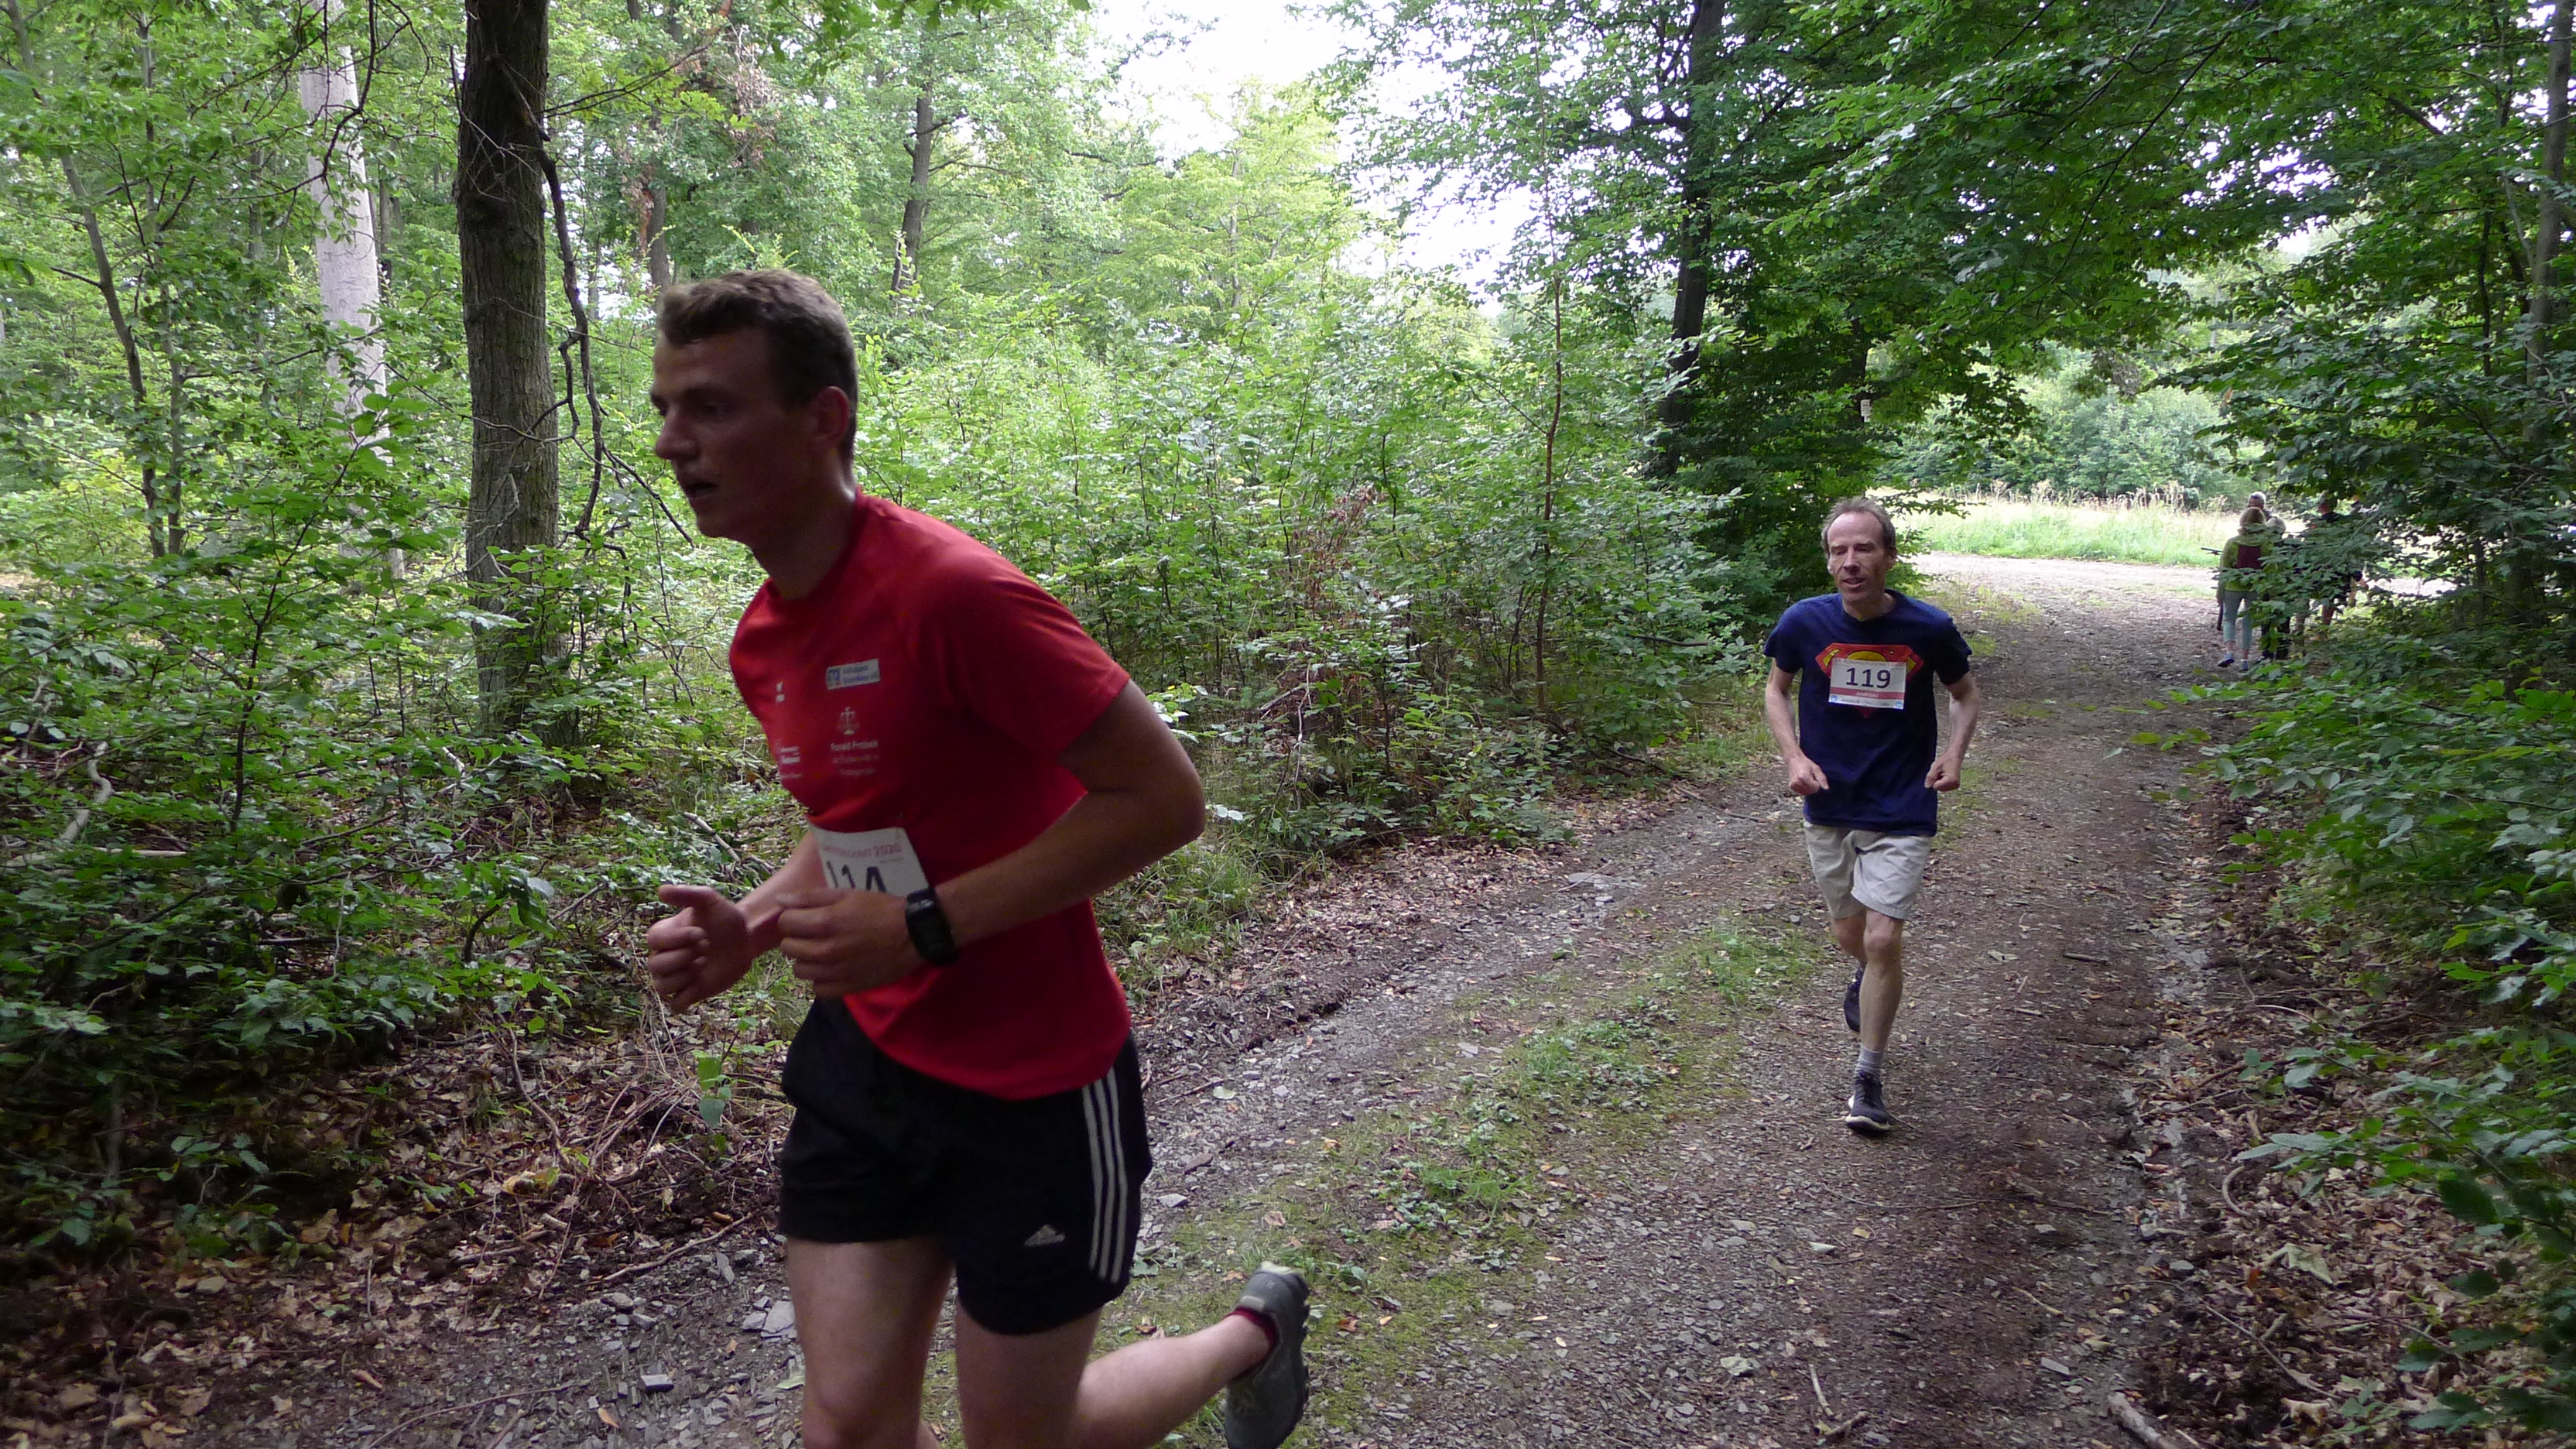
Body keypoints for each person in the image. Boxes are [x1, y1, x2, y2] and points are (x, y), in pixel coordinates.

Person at [639, 271, 1307, 1449]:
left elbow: (1164, 799)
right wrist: (755, 922)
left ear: (823, 419)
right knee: (848, 1428)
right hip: (868, 1064)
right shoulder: (764, 639)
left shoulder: (954, 596)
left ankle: (1251, 1337)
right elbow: (858, 819)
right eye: (664, 409)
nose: (670, 442)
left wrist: (922, 927)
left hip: (1033, 1083)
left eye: (712, 407)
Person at [1760, 498, 1983, 1135]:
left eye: (1863, 549)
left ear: (1889, 556)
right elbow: (1776, 688)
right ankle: (1868, 973)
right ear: (1829, 561)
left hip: (1903, 799)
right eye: (1839, 551)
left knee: (1884, 939)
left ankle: (1868, 1078)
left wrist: (1954, 754)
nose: (1850, 562)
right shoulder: (1805, 622)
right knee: (1850, 936)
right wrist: (1794, 756)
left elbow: (1965, 695)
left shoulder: (1928, 627)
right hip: (1830, 798)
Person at [2215, 505, 2272, 666]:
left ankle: (2229, 652)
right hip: (2255, 587)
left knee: (2229, 619)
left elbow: (2224, 569)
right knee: (2248, 622)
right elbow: (2270, 567)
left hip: (2233, 586)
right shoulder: (2265, 544)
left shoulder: (2232, 543)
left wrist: (2220, 591)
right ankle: (2245, 660)